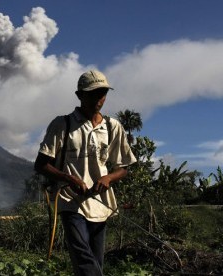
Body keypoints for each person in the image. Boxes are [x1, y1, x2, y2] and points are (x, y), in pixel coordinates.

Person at [34, 69, 137, 276]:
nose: (99, 98)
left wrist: (108, 177)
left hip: (101, 205)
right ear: (80, 95)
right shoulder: (63, 124)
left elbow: (123, 168)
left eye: (102, 93)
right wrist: (67, 178)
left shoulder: (112, 127)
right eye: (93, 93)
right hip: (71, 201)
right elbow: (41, 164)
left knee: (95, 262)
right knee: (84, 260)